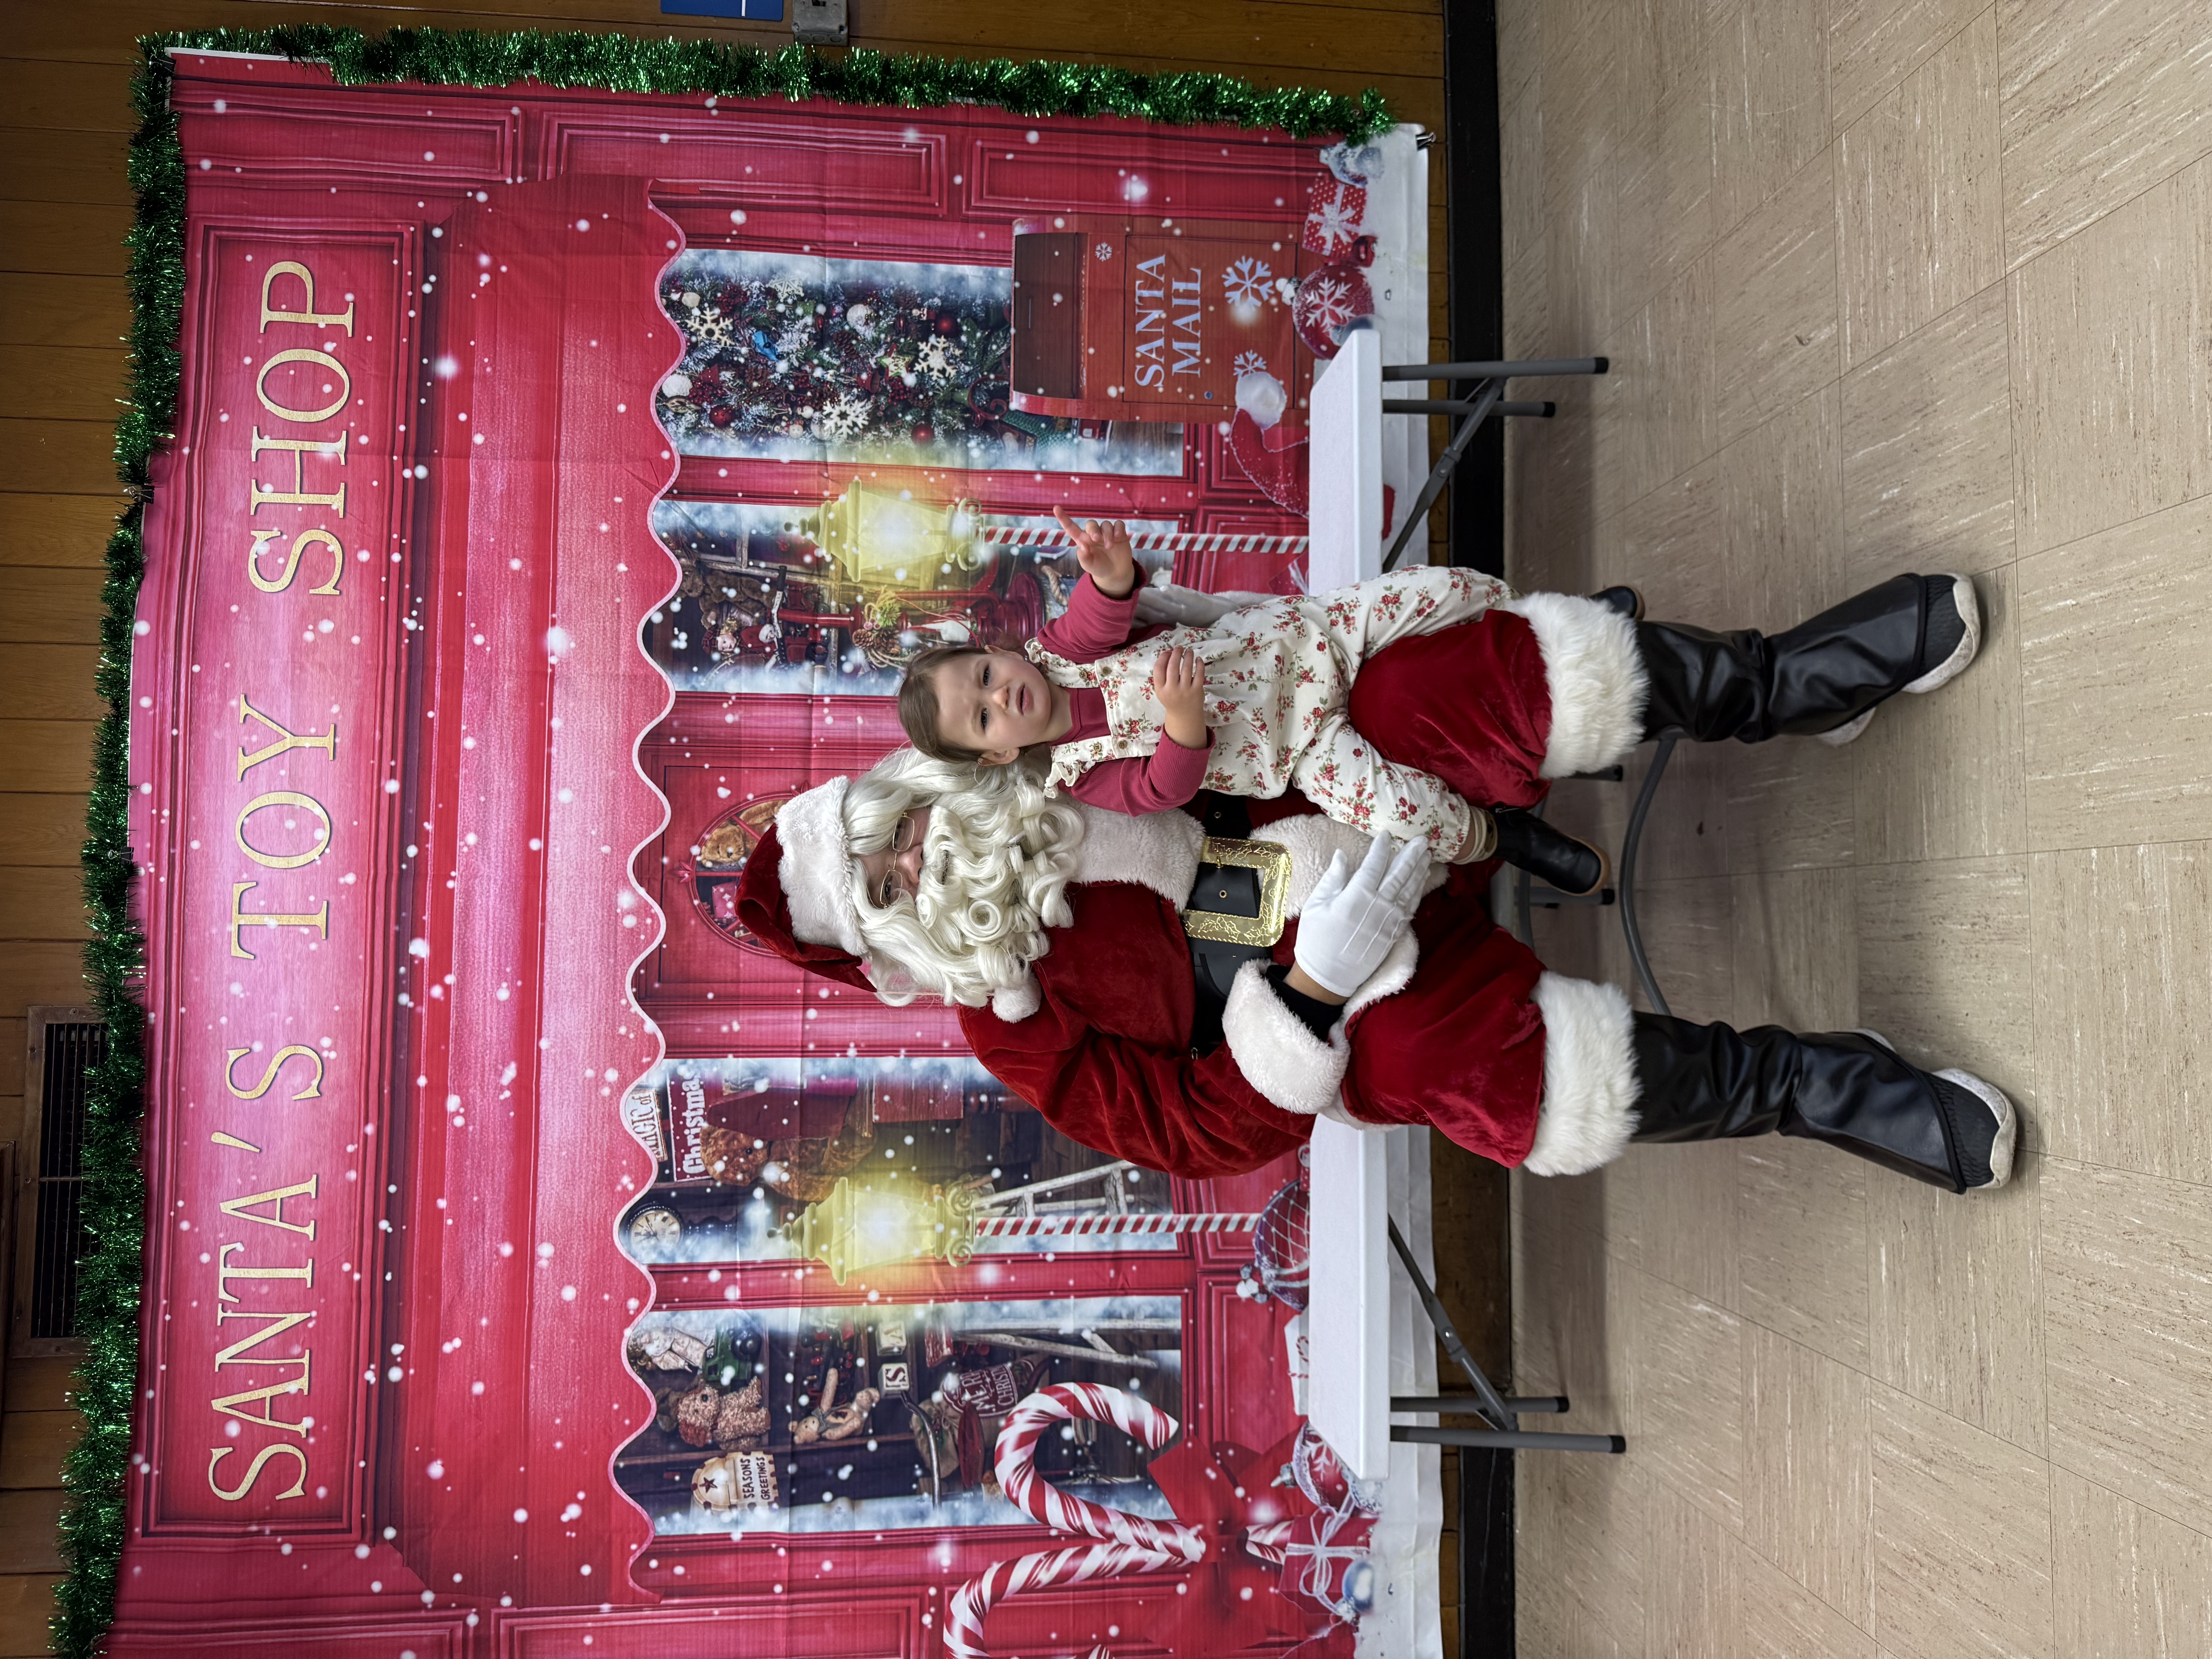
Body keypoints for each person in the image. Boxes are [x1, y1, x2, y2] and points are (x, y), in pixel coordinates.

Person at [733, 570, 2013, 1190]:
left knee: (1421, 686)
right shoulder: (1005, 1023)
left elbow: (1204, 664)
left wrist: (1150, 615)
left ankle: (1780, 683)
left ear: (911, 780)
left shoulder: (1034, 738)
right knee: (1415, 1069)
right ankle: (1806, 1084)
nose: (916, 857)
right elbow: (1192, 1134)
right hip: (1351, 972)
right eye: (887, 885)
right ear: (897, 946)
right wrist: (1303, 994)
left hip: (1365, 789)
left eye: (889, 828)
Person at [897, 506, 1617, 890]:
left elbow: (1103, 613)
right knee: (1397, 811)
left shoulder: (1063, 653)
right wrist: (1181, 726)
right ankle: (1497, 837)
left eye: (986, 677)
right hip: (1301, 747)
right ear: (997, 752)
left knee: (1438, 591)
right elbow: (1155, 790)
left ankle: (1554, 629)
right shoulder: (1078, 775)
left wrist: (1112, 572)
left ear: (996, 650)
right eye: (985, 716)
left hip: (1308, 639)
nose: (1003, 697)